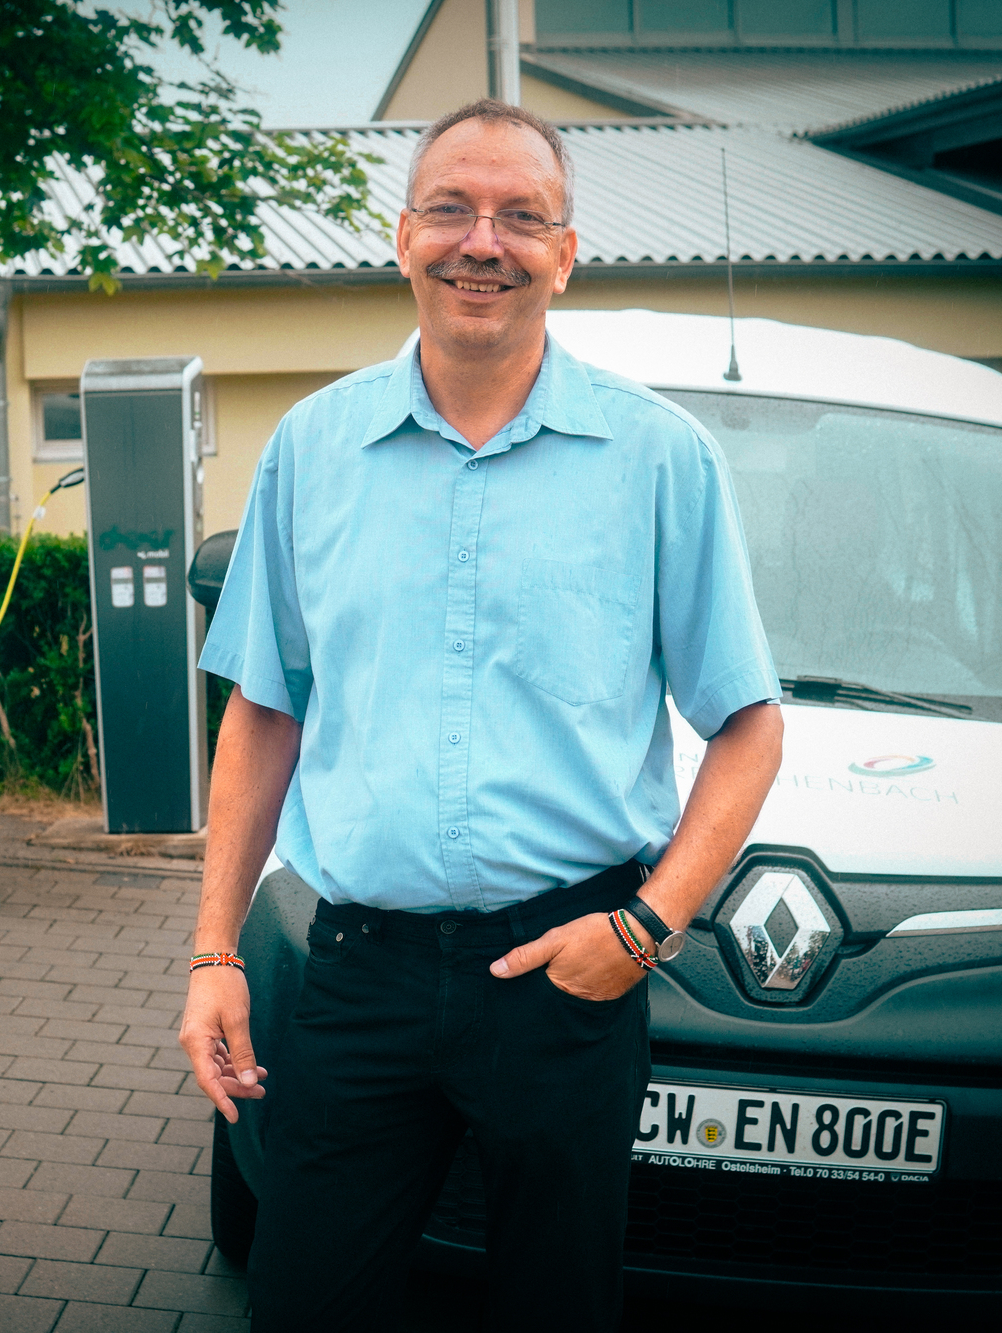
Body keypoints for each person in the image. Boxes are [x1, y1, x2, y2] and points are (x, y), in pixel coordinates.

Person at [177, 98, 785, 1331]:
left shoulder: (658, 459)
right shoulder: (310, 448)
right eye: (450, 208)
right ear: (402, 235)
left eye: (520, 216)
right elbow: (263, 711)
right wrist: (213, 954)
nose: (481, 241)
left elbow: (748, 724)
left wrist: (644, 926)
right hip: (359, 971)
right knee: (300, 1302)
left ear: (566, 253)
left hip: (569, 975)